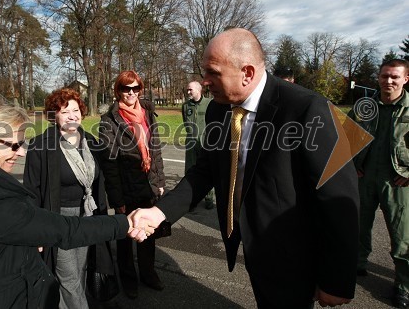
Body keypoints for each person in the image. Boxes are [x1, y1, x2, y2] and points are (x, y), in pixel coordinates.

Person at [130, 28, 359, 308]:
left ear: (247, 73)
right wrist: (160, 212)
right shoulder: (218, 109)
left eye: (213, 72)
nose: (205, 81)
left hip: (293, 260)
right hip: (253, 252)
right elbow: (204, 171)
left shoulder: (308, 109)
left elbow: (338, 199)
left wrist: (336, 280)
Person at [0, 94, 149, 309]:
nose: (20, 152)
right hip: (5, 296)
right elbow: (64, 229)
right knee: (69, 279)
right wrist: (127, 223)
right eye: (12, 144)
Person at [23, 88, 117, 309]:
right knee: (68, 278)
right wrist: (36, 231)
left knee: (82, 271)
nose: (72, 115)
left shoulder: (91, 142)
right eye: (65, 111)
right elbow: (31, 192)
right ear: (53, 115)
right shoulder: (41, 145)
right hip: (59, 220)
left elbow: (103, 181)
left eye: (76, 110)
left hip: (88, 216)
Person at [99, 70, 166, 300]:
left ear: (140, 89)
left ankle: (148, 273)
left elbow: (155, 151)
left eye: (135, 88)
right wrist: (116, 200)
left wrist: (159, 182)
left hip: (147, 185)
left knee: (148, 234)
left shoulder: (148, 114)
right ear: (118, 90)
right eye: (126, 88)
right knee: (126, 238)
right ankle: (128, 279)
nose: (131, 93)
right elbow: (110, 164)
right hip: (126, 188)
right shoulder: (109, 121)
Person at [350, 59, 409, 308]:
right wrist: (353, 165)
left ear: (405, 79)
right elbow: (348, 136)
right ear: (379, 77)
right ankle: (357, 265)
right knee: (358, 226)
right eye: (385, 76)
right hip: (365, 178)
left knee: (402, 237)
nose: (389, 81)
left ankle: (404, 286)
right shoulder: (365, 106)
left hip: (398, 181)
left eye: (395, 77)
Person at [182, 81, 215, 210]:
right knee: (190, 171)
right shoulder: (185, 106)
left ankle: (209, 198)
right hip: (191, 143)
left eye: (190, 90)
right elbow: (185, 122)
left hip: (205, 143)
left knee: (207, 169)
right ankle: (192, 200)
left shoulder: (210, 103)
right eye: (187, 90)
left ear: (198, 90)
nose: (188, 92)